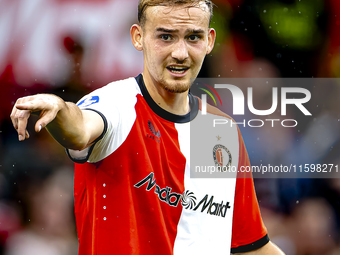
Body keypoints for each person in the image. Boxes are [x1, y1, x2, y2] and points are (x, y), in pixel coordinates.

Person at [10, 0, 285, 254]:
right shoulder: (117, 104)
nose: (180, 53)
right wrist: (60, 108)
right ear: (138, 37)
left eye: (193, 37)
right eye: (165, 36)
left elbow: (250, 247)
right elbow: (80, 129)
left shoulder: (219, 131)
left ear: (209, 40)